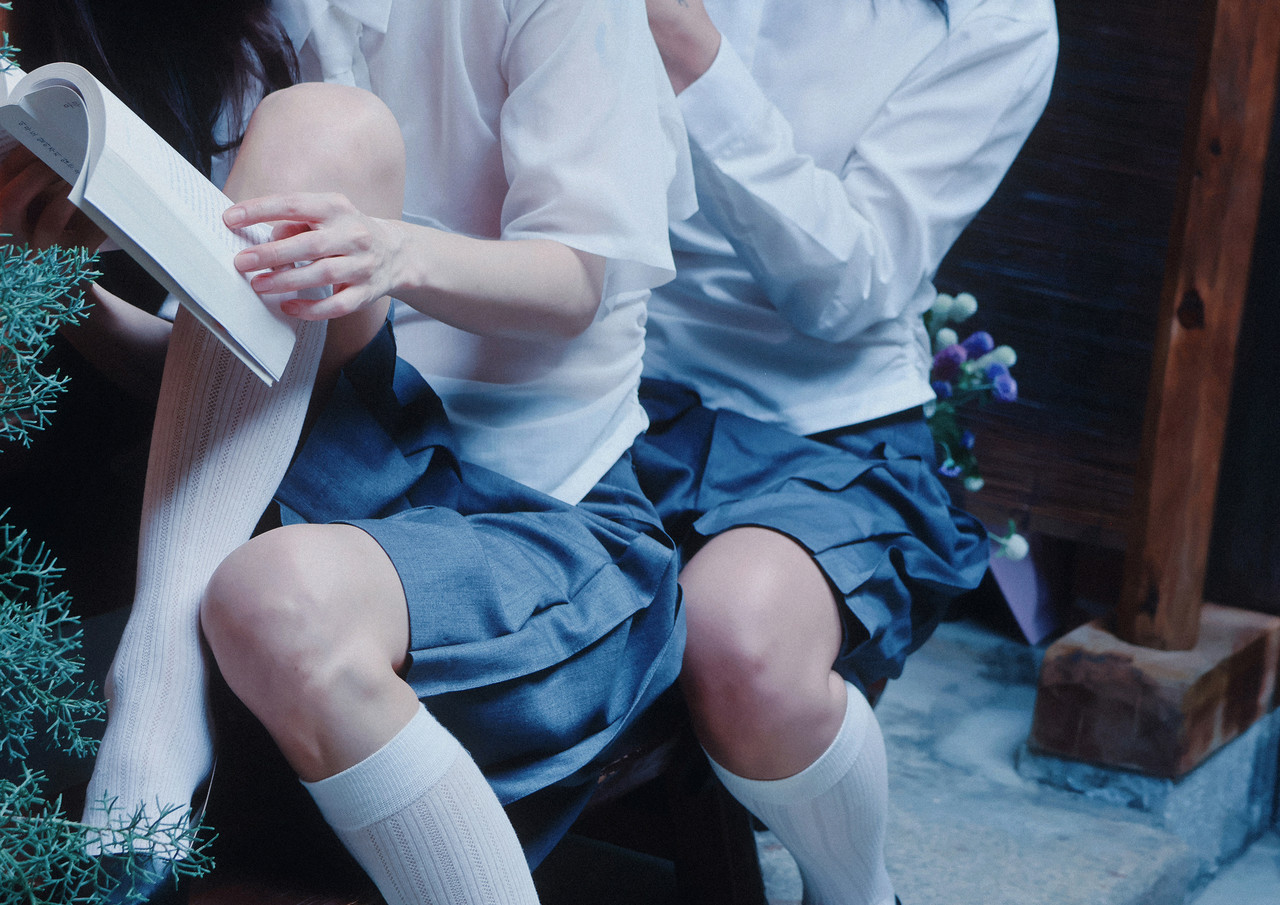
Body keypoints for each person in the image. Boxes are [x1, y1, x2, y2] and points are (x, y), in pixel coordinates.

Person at [3, 1, 693, 903]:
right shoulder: (248, 29)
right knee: (258, 595)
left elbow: (576, 283)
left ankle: (160, 679)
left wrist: (394, 253)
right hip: (334, 488)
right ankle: (161, 691)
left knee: (328, 123)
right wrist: (56, 285)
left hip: (539, 516)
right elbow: (223, 373)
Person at [635, 1, 1058, 904]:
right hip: (590, 367)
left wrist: (693, 57)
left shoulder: (997, 21)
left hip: (820, 427)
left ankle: (854, 889)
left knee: (739, 640)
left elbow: (851, 288)